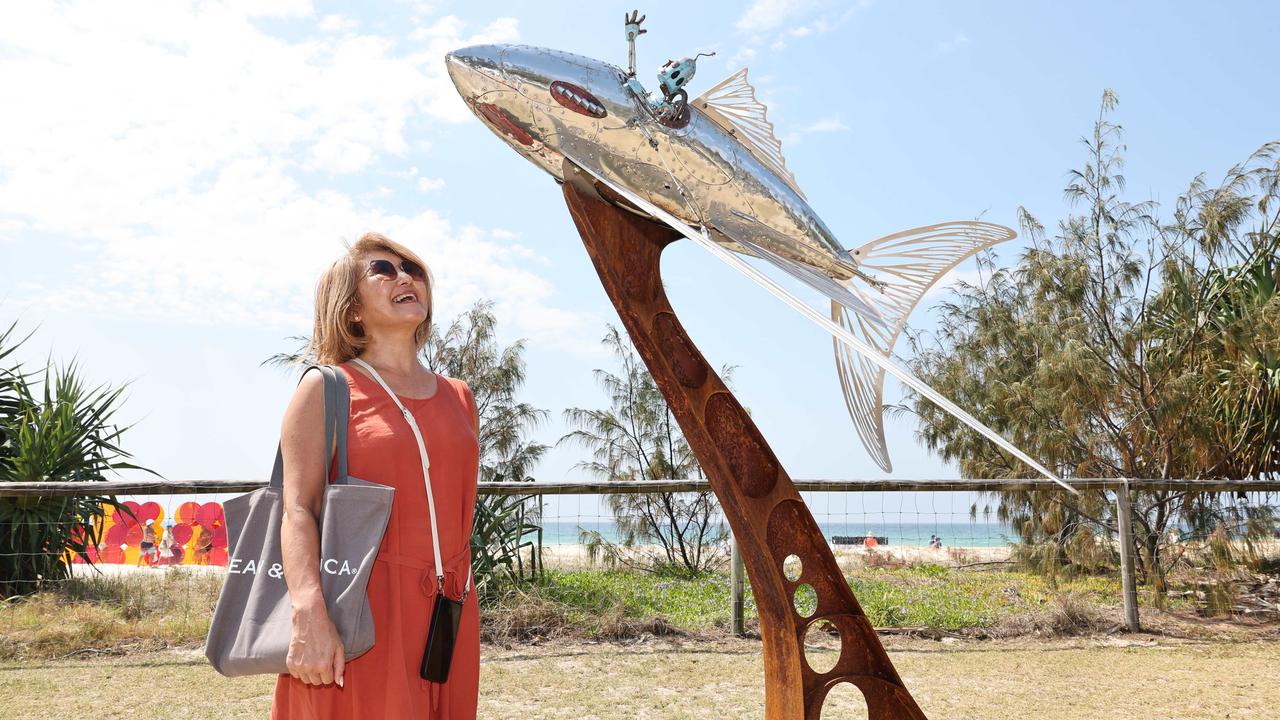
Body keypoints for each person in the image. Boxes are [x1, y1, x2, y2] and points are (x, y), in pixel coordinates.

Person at [272, 232, 481, 720]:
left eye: (412, 268)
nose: (405, 276)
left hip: (448, 610)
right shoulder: (326, 388)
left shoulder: (460, 397)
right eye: (382, 270)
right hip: (361, 610)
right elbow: (297, 508)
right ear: (351, 310)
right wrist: (308, 613)